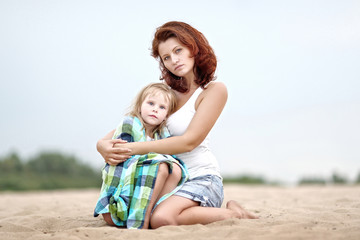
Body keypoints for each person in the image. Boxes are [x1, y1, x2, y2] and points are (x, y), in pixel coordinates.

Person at [97, 21, 257, 229]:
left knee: (162, 219)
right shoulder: (164, 94)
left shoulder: (212, 91)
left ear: (194, 47)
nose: (174, 60)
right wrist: (101, 145)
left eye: (178, 50)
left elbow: (188, 142)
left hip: (201, 178)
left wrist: (132, 148)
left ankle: (235, 213)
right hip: (166, 181)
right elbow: (132, 124)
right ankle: (216, 212)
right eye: (166, 57)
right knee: (136, 216)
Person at [94, 82, 189, 229]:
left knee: (174, 168)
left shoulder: (161, 135)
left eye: (162, 107)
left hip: (142, 194)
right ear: (139, 106)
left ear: (166, 116)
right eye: (151, 103)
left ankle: (148, 211)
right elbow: (123, 154)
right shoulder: (130, 124)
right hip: (119, 201)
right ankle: (141, 218)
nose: (155, 109)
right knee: (162, 166)